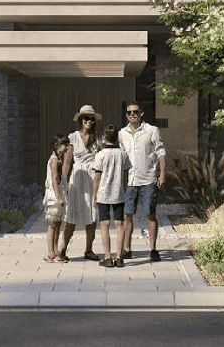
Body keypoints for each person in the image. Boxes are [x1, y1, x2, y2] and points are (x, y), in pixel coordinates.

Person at [118, 102, 167, 262]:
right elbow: (120, 156)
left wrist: (162, 174)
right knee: (127, 215)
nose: (132, 114)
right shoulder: (122, 133)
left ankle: (152, 249)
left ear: (141, 113)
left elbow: (161, 152)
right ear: (126, 115)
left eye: (135, 111)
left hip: (148, 179)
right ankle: (127, 248)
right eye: (129, 112)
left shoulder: (151, 130)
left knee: (150, 214)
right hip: (130, 181)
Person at [60, 104, 102, 262]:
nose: (89, 121)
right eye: (86, 118)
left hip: (92, 178)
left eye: (92, 119)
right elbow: (66, 163)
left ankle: (89, 250)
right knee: (71, 216)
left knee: (91, 215)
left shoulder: (98, 138)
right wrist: (62, 184)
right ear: (80, 119)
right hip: (77, 178)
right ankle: (63, 250)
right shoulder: (73, 137)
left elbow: (102, 159)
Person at [91, 124, 132, 267]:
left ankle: (108, 257)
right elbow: (126, 175)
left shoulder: (100, 155)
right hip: (119, 193)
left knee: (104, 224)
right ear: (117, 138)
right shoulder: (123, 154)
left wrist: (94, 196)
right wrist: (124, 190)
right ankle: (119, 257)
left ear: (104, 138)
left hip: (103, 194)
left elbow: (96, 178)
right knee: (120, 224)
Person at [42, 135, 70, 262]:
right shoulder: (54, 160)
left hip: (59, 194)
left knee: (58, 224)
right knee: (52, 224)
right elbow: (54, 180)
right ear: (58, 145)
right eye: (66, 145)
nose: (68, 148)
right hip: (53, 196)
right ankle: (50, 252)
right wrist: (58, 197)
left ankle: (55, 249)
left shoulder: (59, 158)